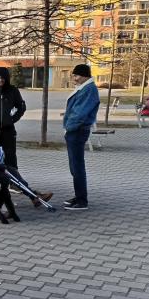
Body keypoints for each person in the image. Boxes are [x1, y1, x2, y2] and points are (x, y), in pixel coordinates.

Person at [62, 64, 100, 211]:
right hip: (75, 131)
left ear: (84, 75)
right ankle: (78, 196)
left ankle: (82, 200)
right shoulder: (85, 88)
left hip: (77, 131)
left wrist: (68, 128)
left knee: (77, 167)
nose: (74, 78)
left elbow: (79, 113)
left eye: (76, 75)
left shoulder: (89, 89)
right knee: (74, 166)